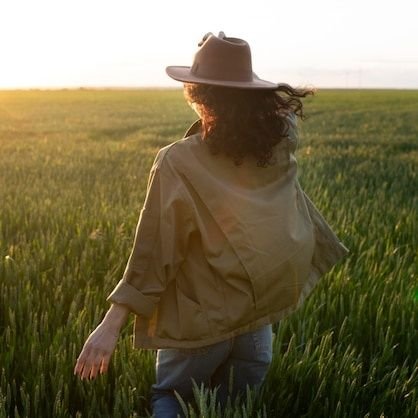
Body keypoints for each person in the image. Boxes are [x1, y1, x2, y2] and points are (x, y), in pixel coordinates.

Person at [73, 32, 349, 417]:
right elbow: (278, 118)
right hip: (258, 321)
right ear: (251, 91)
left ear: (195, 95)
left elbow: (153, 253)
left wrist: (110, 325)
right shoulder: (279, 140)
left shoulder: (178, 162)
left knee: (172, 399)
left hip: (200, 324)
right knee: (233, 408)